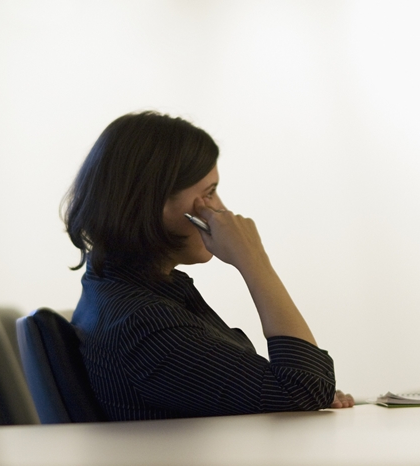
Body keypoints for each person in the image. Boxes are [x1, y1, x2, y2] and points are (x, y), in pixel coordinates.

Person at [63, 111, 354, 420]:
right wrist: (253, 261)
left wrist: (294, 388)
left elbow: (298, 390)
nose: (221, 210)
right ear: (153, 203)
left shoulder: (121, 291)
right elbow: (306, 388)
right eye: (209, 194)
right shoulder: (145, 325)